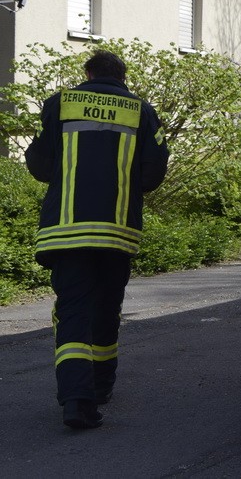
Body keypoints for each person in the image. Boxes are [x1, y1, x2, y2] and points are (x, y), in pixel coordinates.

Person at [26, 50, 169, 429]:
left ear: (87, 73)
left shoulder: (61, 103)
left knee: (73, 312)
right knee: (107, 308)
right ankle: (102, 386)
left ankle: (77, 400)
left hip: (66, 231)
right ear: (123, 77)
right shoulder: (141, 110)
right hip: (116, 231)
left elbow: (39, 166)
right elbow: (153, 174)